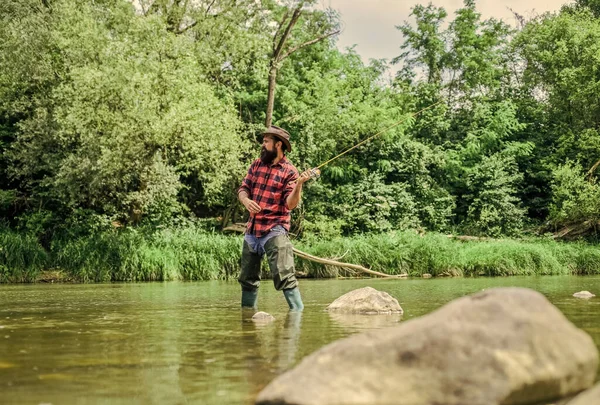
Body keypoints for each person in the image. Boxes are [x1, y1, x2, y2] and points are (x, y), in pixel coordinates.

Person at [237, 125, 312, 311]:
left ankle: (297, 317)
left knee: (285, 276)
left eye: (266, 141)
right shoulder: (256, 165)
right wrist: (246, 201)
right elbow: (243, 189)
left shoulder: (290, 172)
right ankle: (248, 321)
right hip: (252, 230)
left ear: (278, 144)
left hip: (275, 230)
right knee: (247, 279)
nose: (263, 145)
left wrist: (300, 184)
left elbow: (290, 204)